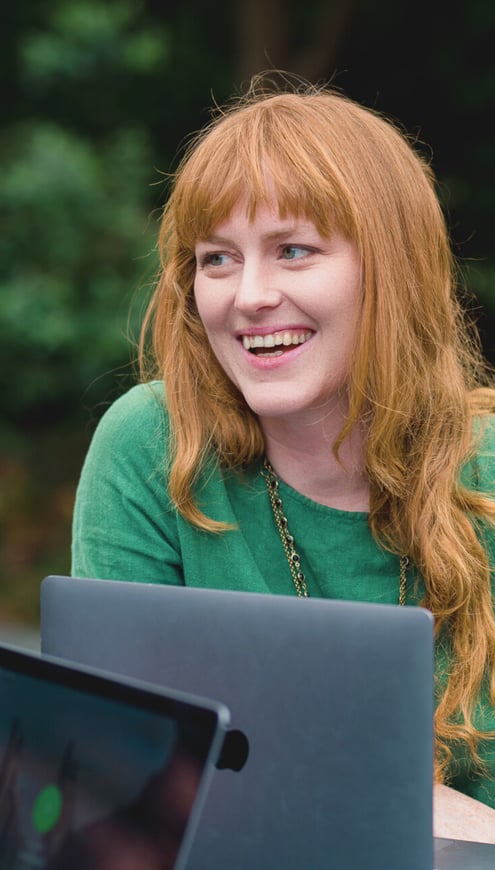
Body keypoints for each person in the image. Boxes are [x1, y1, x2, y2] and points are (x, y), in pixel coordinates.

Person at [72, 73, 495, 841]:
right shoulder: (151, 446)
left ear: (390, 270)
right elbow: (113, 792)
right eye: (217, 259)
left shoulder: (487, 472)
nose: (248, 296)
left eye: (293, 250)